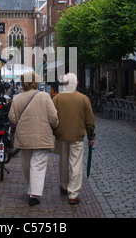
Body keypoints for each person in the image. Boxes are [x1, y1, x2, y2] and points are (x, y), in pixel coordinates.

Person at [9, 72, 58, 206]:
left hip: (24, 136)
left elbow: (12, 118)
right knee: (38, 164)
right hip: (42, 136)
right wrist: (55, 124)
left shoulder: (17, 98)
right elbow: (53, 117)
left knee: (26, 164)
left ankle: (32, 189)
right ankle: (33, 193)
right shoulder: (44, 96)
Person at [52, 73, 95, 205]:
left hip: (61, 135)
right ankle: (73, 193)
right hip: (77, 136)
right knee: (75, 164)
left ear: (63, 84)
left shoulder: (57, 98)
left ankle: (64, 186)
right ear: (76, 84)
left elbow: (52, 118)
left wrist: (54, 131)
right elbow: (90, 120)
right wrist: (91, 136)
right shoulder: (83, 99)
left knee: (63, 162)